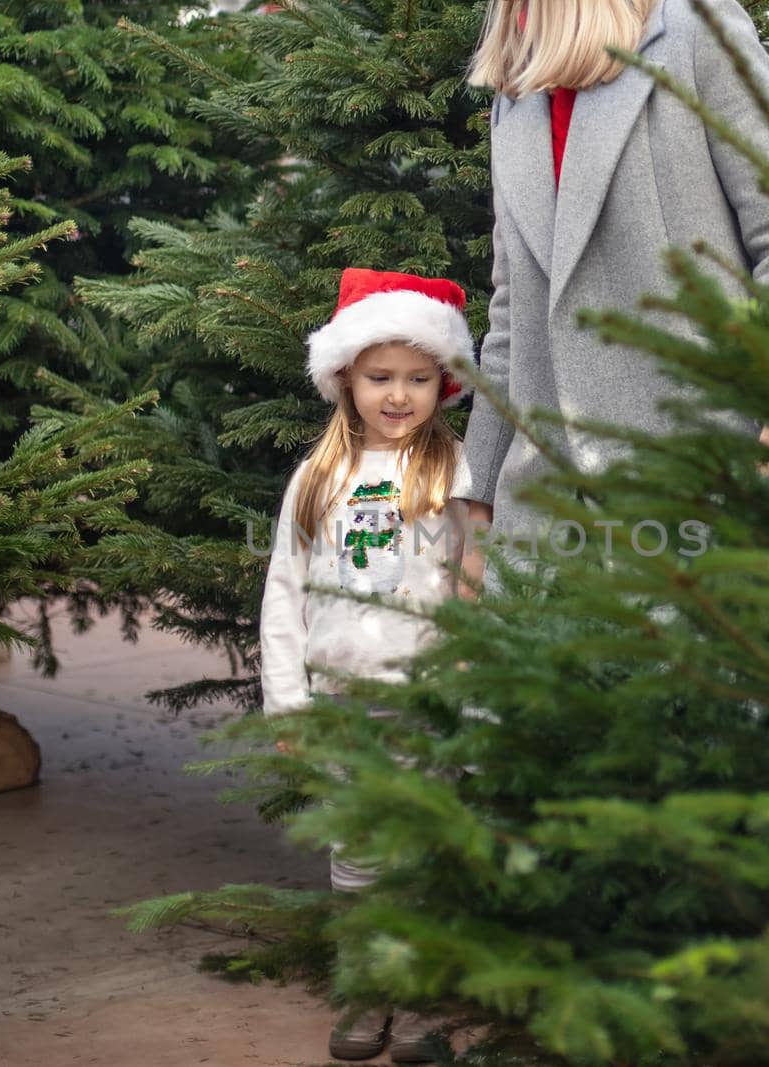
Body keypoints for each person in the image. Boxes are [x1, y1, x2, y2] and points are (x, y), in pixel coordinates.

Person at [456, 0, 769, 583]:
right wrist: (476, 509)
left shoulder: (696, 33)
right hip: (542, 532)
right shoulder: (513, 95)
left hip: (700, 498)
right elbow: (512, 315)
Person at [259, 267, 472, 1063]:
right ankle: (363, 992)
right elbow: (285, 594)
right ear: (344, 376)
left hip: (425, 703)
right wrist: (289, 705)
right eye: (380, 376)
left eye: (418, 378)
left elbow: (472, 587)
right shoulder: (317, 479)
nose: (397, 394)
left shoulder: (452, 473)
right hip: (344, 702)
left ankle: (418, 1005)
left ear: (442, 383)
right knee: (357, 856)